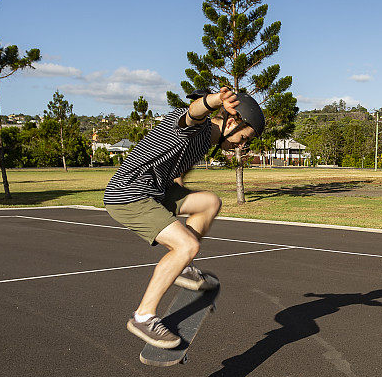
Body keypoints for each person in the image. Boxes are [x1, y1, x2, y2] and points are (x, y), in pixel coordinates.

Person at [103, 87, 264, 349]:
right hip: (129, 193)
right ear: (232, 122)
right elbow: (193, 113)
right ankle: (143, 317)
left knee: (209, 202)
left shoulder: (205, 142)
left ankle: (184, 269)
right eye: (243, 137)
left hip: (156, 191)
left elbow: (177, 171)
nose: (242, 145)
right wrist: (215, 100)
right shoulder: (196, 128)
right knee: (187, 245)